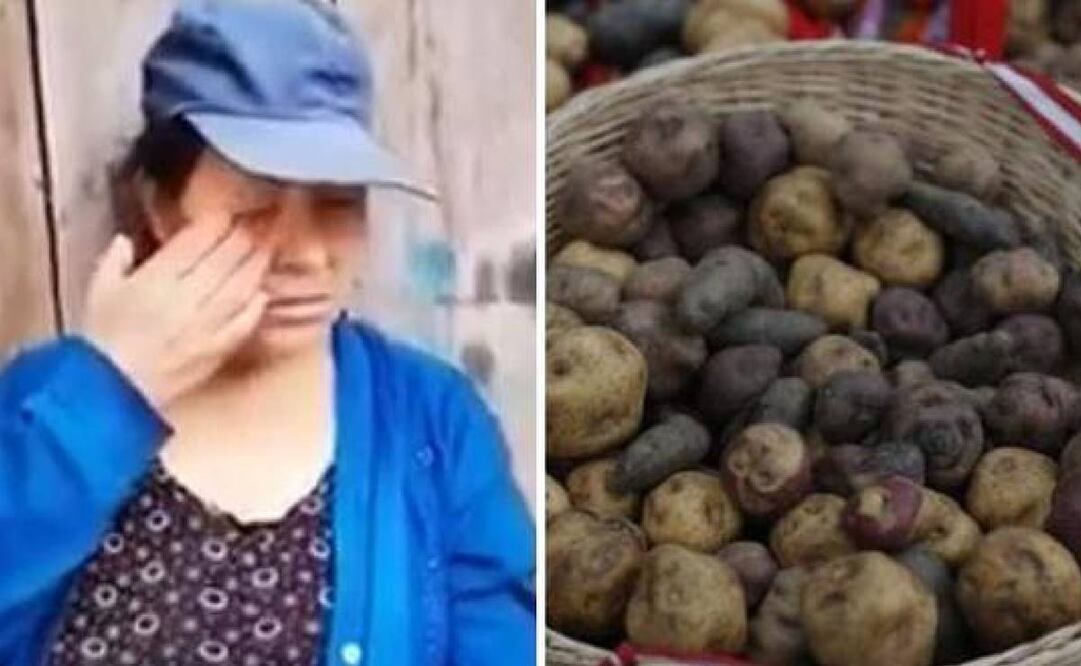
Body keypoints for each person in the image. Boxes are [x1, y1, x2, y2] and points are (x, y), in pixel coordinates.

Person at [0, 1, 535, 665]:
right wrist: (108, 398)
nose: (307, 255)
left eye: (339, 205)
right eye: (255, 208)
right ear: (161, 207)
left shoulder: (431, 419)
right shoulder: (41, 409)